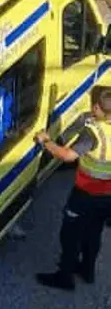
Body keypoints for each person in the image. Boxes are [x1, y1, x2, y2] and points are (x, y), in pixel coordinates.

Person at [35, 87, 111, 290]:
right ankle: (87, 270)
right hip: (108, 197)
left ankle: (64, 278)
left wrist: (46, 141)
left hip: (86, 194)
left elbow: (68, 156)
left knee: (70, 234)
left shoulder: (94, 133)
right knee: (94, 233)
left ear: (96, 107)